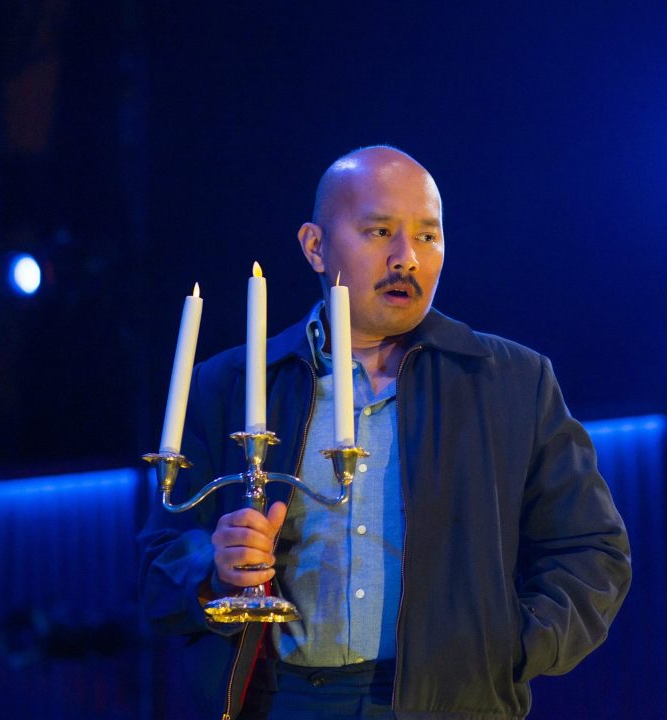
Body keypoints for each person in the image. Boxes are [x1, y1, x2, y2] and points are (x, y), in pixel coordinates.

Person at [137, 145, 631, 720]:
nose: (407, 259)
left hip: (448, 704)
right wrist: (212, 570)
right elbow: (160, 564)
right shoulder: (235, 385)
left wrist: (510, 648)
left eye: (427, 236)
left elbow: (592, 550)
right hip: (281, 701)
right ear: (315, 246)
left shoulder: (510, 381)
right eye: (379, 232)